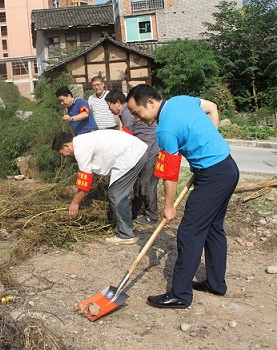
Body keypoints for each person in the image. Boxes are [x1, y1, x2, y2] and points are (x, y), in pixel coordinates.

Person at [126, 84, 239, 309]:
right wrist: (211, 137)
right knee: (214, 228)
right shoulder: (181, 100)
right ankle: (216, 284)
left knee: (189, 233)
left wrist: (168, 207)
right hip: (228, 168)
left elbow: (170, 175)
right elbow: (212, 108)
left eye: (137, 113)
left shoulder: (165, 129)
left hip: (213, 176)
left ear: (150, 102)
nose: (138, 119)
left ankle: (180, 294)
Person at [52, 130, 148, 244]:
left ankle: (126, 234)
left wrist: (75, 203)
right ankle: (124, 227)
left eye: (62, 153)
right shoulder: (83, 140)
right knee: (118, 192)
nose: (65, 156)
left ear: (66, 146)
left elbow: (85, 182)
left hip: (131, 156)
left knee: (117, 194)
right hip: (136, 151)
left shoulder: (81, 149)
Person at [105, 89, 160, 225]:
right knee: (138, 184)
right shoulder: (125, 113)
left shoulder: (127, 112)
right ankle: (135, 211)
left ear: (117, 103)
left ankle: (152, 215)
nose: (109, 109)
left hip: (150, 150)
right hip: (142, 151)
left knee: (147, 184)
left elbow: (126, 135)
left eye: (109, 105)